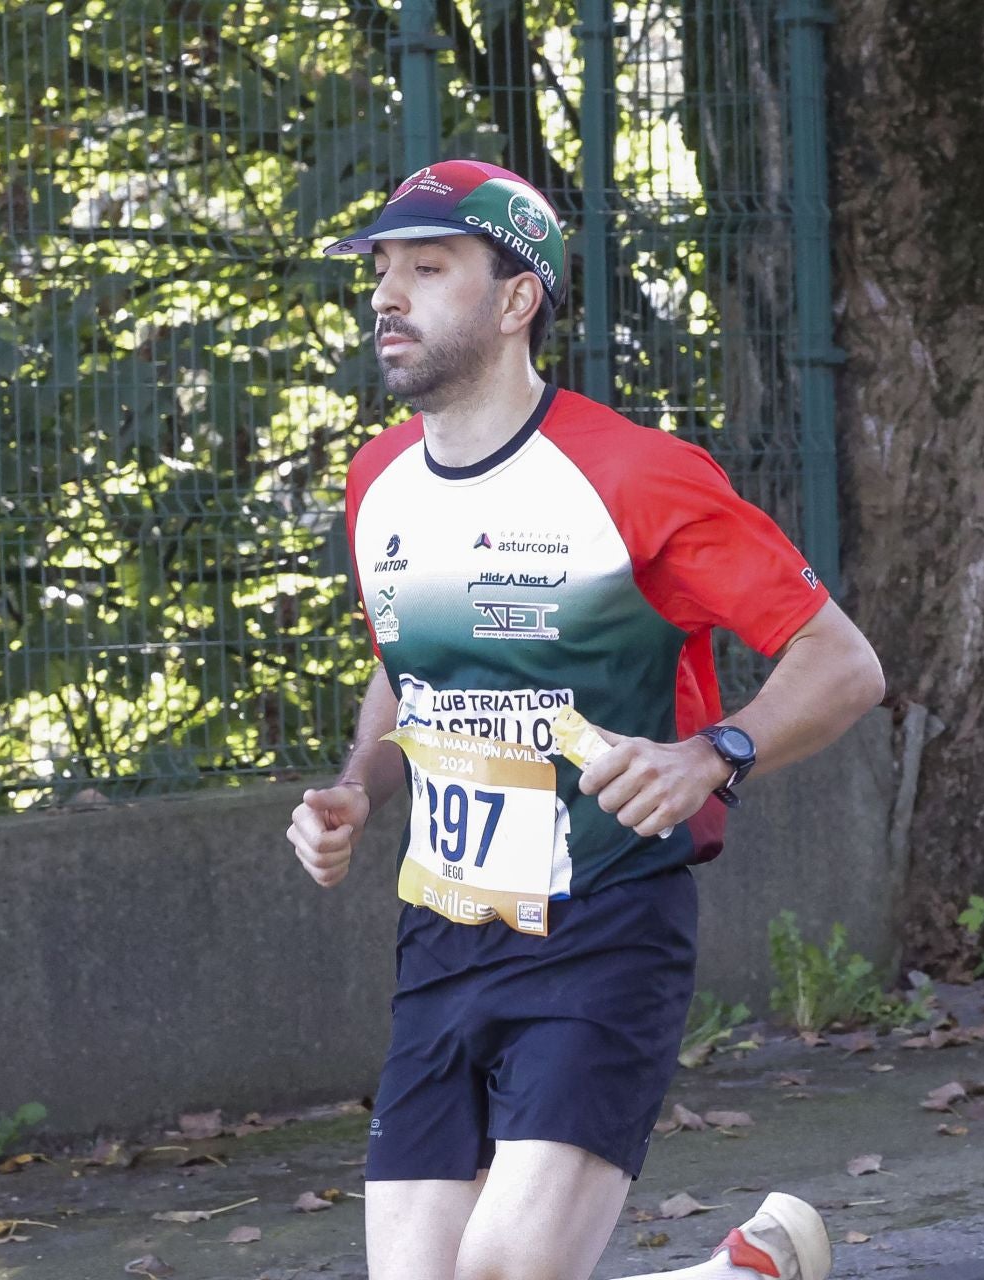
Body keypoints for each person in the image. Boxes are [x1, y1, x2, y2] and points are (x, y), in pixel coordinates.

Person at [285, 159, 885, 1280]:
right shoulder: (377, 482)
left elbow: (843, 661)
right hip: (442, 935)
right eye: (380, 270)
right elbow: (408, 669)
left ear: (518, 301)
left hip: (603, 927)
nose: (386, 295)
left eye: (427, 267)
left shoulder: (636, 476)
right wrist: (358, 788)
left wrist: (719, 749)